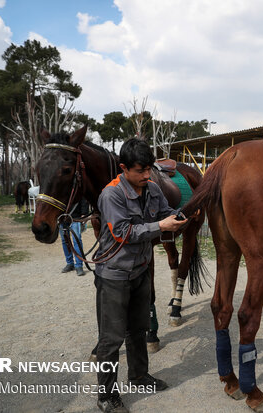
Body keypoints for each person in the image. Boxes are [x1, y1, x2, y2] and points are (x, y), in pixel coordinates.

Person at [93, 138, 187, 413]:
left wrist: (180, 216)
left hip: (141, 270)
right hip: (114, 274)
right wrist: (161, 225)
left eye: (149, 169)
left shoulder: (153, 188)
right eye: (140, 171)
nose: (147, 176)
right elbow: (123, 233)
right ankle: (106, 396)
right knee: (111, 339)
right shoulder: (111, 194)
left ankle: (138, 375)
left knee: (138, 329)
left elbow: (166, 212)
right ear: (123, 168)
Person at [60, 198, 90, 277]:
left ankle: (79, 265)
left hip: (75, 216)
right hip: (62, 217)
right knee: (65, 240)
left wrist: (84, 213)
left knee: (77, 240)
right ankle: (70, 263)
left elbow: (83, 197)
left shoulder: (75, 185)